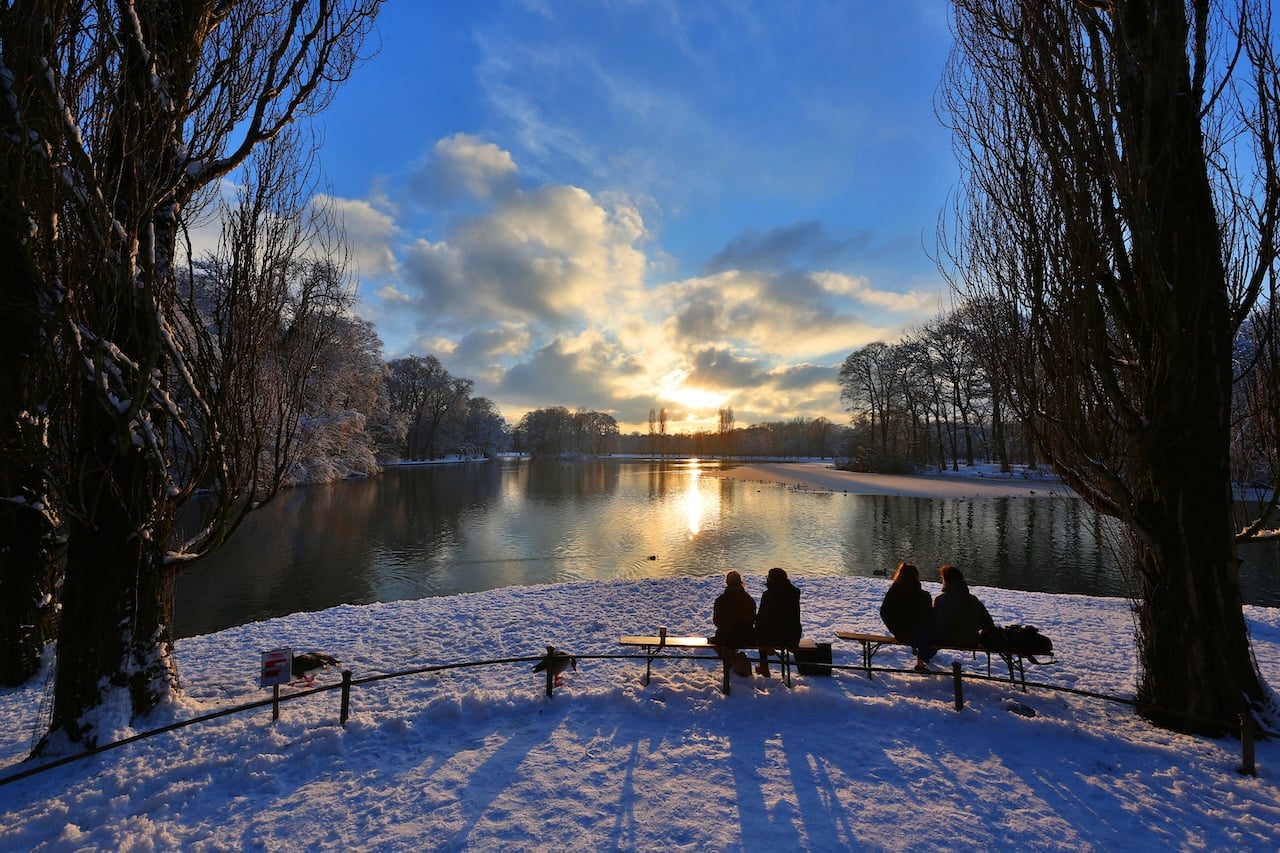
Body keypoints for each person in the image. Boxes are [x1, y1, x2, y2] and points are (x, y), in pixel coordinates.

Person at [917, 564, 996, 672]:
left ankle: (920, 664)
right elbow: (988, 624)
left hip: (947, 640)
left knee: (926, 634)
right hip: (971, 641)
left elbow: (936, 626)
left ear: (946, 581)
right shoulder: (973, 600)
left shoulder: (941, 600)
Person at [878, 561, 932, 669]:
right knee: (930, 636)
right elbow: (927, 615)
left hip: (899, 632)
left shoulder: (894, 590)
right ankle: (920, 663)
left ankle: (919, 655)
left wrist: (894, 628)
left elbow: (884, 612)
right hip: (916, 633)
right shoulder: (921, 594)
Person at [754, 567, 802, 677]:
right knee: (765, 630)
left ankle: (764, 666)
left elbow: (762, 617)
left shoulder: (768, 594)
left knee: (761, 631)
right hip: (792, 636)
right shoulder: (794, 593)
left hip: (771, 637)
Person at [710, 570, 757, 675]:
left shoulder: (721, 600)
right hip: (746, 638)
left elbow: (717, 621)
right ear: (741, 582)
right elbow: (752, 619)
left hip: (725, 638)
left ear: (727, 583)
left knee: (717, 642)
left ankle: (732, 660)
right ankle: (735, 660)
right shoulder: (749, 600)